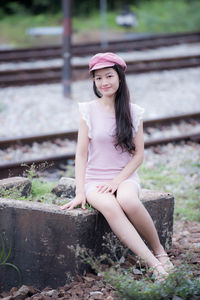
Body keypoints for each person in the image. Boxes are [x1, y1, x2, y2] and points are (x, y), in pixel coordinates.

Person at [61, 52, 173, 281]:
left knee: (128, 200)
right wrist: (80, 191)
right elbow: (81, 154)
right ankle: (155, 265)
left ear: (120, 77)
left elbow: (138, 155)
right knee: (111, 207)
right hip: (95, 180)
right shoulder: (87, 111)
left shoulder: (134, 112)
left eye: (109, 76)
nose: (104, 82)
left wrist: (117, 182)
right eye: (98, 78)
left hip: (124, 176)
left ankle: (160, 251)